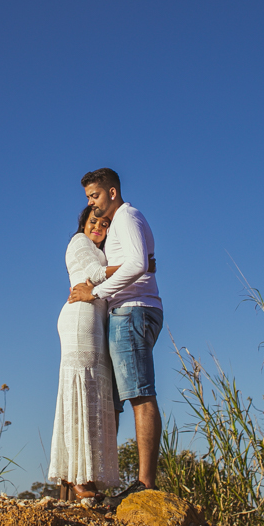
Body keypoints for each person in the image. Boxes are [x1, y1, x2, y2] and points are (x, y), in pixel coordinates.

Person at [68, 167, 162, 503]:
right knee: (117, 400)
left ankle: (145, 484)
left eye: (94, 195)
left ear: (112, 192)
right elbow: (140, 262)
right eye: (87, 198)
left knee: (140, 395)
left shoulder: (125, 216)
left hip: (132, 310)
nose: (91, 204)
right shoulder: (120, 223)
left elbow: (137, 264)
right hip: (127, 312)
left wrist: (95, 292)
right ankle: (103, 476)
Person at [47, 205, 121, 501]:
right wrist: (136, 265)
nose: (98, 228)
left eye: (104, 224)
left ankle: (83, 473)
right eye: (94, 222)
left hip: (95, 320)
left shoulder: (99, 249)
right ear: (83, 223)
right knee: (81, 390)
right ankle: (77, 475)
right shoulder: (79, 241)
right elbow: (95, 274)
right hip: (80, 319)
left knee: (93, 394)